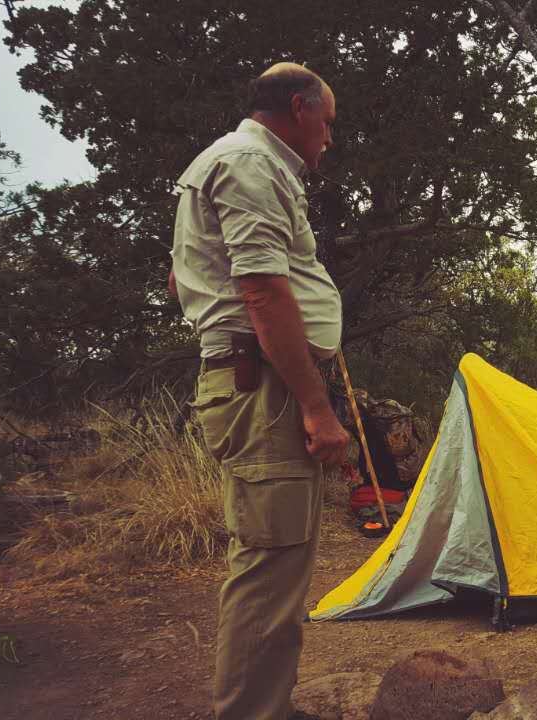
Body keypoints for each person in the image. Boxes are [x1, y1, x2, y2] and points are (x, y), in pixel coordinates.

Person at [169, 62, 350, 720]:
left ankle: (269, 704)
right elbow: (261, 288)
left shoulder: (234, 163)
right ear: (300, 108)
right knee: (270, 569)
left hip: (254, 378)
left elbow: (180, 277)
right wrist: (315, 405)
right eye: (326, 122)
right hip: (265, 387)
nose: (329, 136)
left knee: (277, 561)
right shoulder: (250, 163)